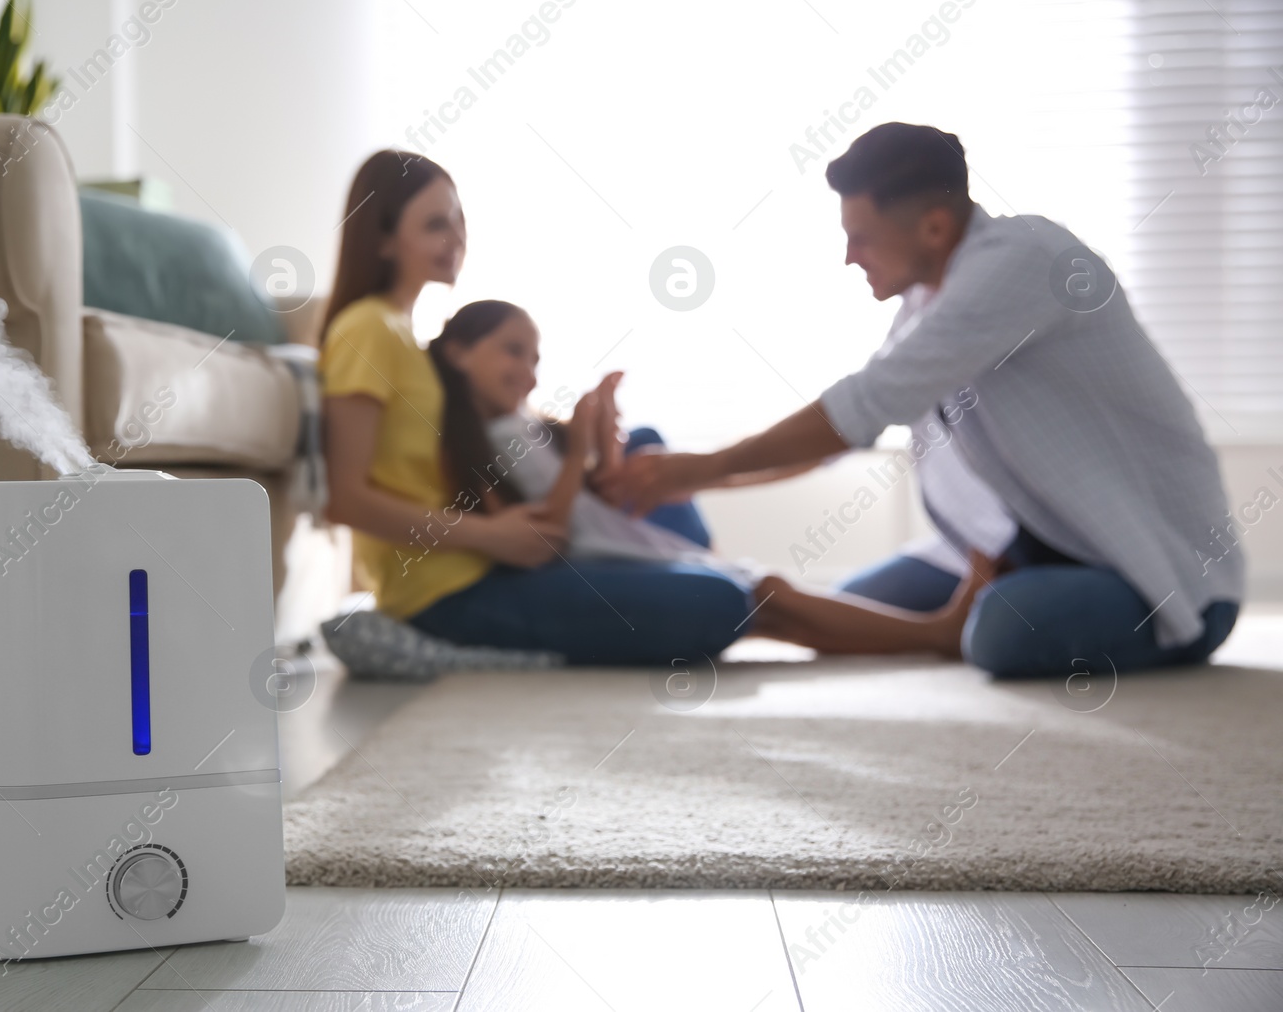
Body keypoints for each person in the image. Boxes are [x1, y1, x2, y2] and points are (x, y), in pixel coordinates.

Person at [604, 122, 1244, 678]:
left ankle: (987, 619)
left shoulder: (1024, 260)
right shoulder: (924, 299)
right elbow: (842, 435)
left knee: (997, 632)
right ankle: (972, 610)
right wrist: (685, 480)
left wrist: (699, 468)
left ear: (935, 227)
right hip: (1026, 542)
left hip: (1152, 573)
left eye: (861, 236)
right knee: (855, 603)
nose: (849, 257)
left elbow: (861, 405)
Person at [318, 151, 987, 666]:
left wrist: (578, 451)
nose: (456, 236)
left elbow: (464, 467)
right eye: (435, 223)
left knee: (647, 448)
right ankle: (927, 634)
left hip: (494, 560)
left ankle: (919, 631)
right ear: (381, 236)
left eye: (460, 220)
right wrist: (492, 535)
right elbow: (346, 499)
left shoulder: (414, 339)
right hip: (447, 593)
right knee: (728, 599)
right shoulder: (368, 331)